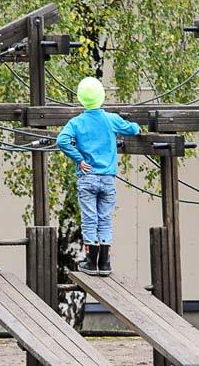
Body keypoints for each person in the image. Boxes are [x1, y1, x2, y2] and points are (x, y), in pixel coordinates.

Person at [56, 77, 140, 276]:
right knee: (105, 218)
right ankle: (105, 263)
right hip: (107, 177)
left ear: (80, 99)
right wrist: (138, 127)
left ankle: (91, 261)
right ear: (102, 97)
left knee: (89, 218)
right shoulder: (110, 119)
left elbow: (62, 141)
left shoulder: (76, 122)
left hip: (87, 176)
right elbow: (131, 129)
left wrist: (79, 158)